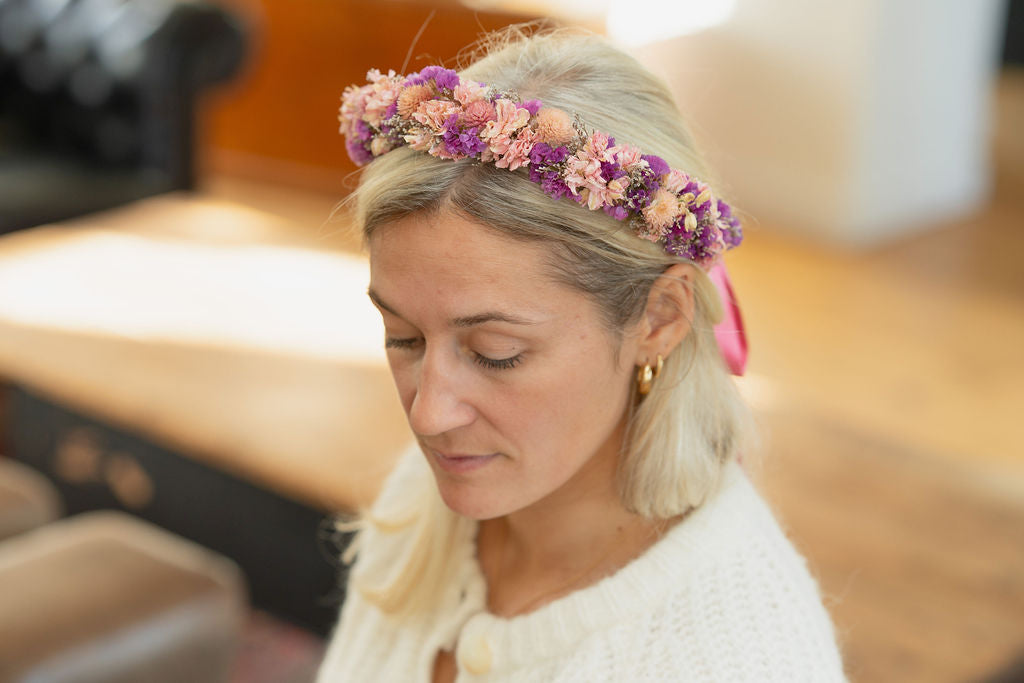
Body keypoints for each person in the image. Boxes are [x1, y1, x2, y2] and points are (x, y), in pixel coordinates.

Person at [317, 26, 846, 682]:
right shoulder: (431, 492)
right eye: (403, 336)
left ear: (661, 317)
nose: (427, 415)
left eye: (496, 351)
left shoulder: (738, 658)